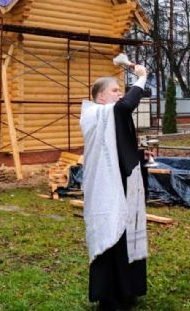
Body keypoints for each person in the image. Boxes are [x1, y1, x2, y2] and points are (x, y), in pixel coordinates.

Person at [80, 64, 149, 310]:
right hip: (105, 189)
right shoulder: (96, 114)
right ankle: (109, 298)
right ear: (101, 96)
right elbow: (124, 107)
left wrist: (140, 156)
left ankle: (127, 292)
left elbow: (120, 146)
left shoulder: (111, 115)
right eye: (115, 90)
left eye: (121, 90)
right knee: (111, 237)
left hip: (122, 184)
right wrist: (141, 78)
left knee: (126, 237)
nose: (120, 94)